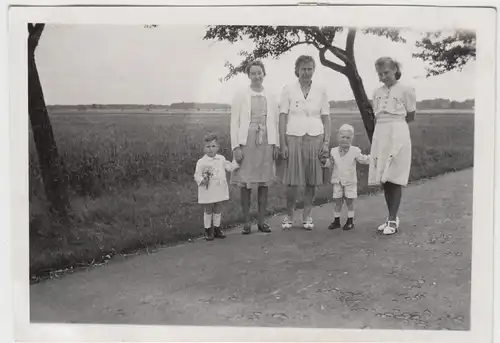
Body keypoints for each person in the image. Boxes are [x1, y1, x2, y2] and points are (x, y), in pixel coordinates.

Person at [279, 55, 331, 230]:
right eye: (303, 69)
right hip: (293, 136)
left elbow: (326, 117)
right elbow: (282, 117)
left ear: (313, 71)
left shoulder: (321, 90)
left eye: (309, 69)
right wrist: (283, 143)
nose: (306, 72)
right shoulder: (288, 89)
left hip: (315, 136)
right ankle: (288, 216)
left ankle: (307, 216)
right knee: (292, 182)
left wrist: (326, 143)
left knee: (311, 180)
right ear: (297, 70)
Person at [230, 60, 280, 235]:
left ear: (263, 74)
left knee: (263, 182)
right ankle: (246, 222)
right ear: (248, 75)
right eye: (253, 73)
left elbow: (275, 121)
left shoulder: (271, 96)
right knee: (246, 183)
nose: (257, 76)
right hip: (247, 142)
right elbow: (234, 123)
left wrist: (275, 144)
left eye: (259, 73)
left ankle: (261, 221)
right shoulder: (241, 95)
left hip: (265, 142)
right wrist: (236, 147)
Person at [368, 56, 416, 235]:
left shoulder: (406, 90)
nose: (383, 77)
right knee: (385, 177)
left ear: (395, 69)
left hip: (398, 131)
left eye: (386, 72)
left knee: (395, 176)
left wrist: (397, 129)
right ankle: (391, 217)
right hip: (381, 133)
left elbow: (411, 116)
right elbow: (376, 116)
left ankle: (392, 219)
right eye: (380, 74)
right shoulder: (376, 92)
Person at [324, 124, 370, 231]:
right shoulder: (334, 151)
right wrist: (324, 162)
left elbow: (362, 159)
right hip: (337, 180)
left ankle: (350, 220)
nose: (345, 140)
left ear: (352, 139)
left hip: (350, 181)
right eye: (342, 137)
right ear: (338, 137)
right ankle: (336, 220)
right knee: (337, 200)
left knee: (349, 200)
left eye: (348, 138)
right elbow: (330, 162)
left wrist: (374, 158)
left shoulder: (355, 151)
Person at [194, 133, 239, 241]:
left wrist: (236, 162)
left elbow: (229, 167)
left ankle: (217, 229)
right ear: (204, 148)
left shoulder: (221, 159)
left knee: (218, 208)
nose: (210, 149)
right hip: (208, 189)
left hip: (219, 189)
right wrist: (201, 180)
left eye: (213, 146)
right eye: (208, 146)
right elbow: (197, 175)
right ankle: (208, 230)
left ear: (218, 147)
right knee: (208, 209)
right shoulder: (201, 162)